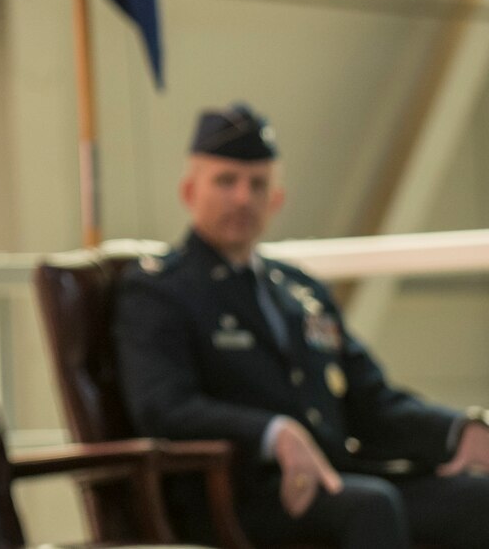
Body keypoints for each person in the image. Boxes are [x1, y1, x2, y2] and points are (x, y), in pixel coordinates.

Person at [114, 102, 489, 549]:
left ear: (276, 200)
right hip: (240, 493)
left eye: (257, 184)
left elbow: (370, 399)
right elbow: (163, 406)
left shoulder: (299, 290)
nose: (242, 197)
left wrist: (457, 430)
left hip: (335, 478)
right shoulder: (160, 290)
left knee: (476, 498)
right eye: (225, 181)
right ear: (189, 192)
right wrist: (273, 433)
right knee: (371, 505)